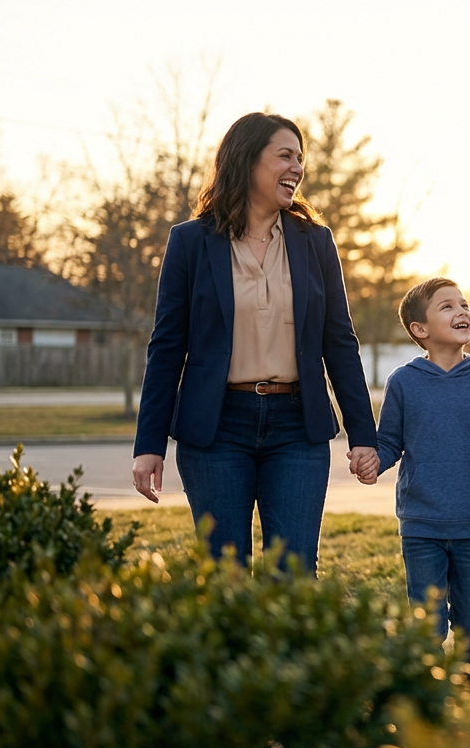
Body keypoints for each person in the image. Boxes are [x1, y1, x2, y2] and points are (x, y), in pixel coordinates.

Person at [131, 112, 378, 574]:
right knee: (225, 576)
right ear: (246, 161)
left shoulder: (315, 242)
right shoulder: (190, 242)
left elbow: (340, 343)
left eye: (301, 159)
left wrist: (363, 435)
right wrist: (149, 444)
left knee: (295, 574)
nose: (297, 168)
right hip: (216, 429)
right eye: (285, 156)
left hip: (297, 429)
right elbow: (166, 347)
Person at [359, 277, 470, 688]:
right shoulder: (403, 382)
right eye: (447, 306)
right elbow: (390, 443)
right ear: (420, 330)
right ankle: (429, 696)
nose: (462, 312)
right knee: (427, 623)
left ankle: (465, 689)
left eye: (464, 305)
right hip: (421, 523)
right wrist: (371, 463)